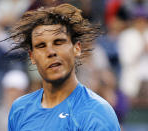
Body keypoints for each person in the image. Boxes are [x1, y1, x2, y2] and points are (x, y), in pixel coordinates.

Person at [8, 3, 120, 131]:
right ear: (32, 56)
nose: (50, 52)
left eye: (58, 42)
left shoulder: (97, 112)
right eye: (41, 46)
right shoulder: (19, 109)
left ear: (77, 48)